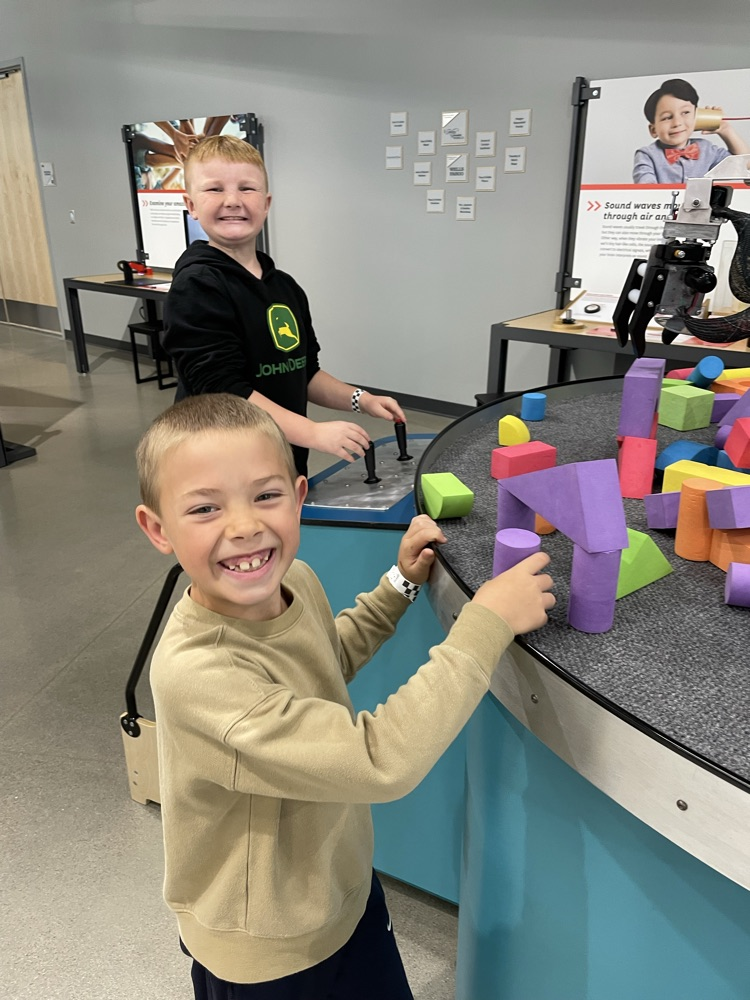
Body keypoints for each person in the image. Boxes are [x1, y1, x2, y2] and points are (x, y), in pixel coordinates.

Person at [134, 392, 556, 1000]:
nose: (245, 525)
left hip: (341, 891)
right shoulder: (200, 673)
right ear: (158, 529)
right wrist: (484, 623)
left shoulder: (293, 580)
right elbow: (377, 759)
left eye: (266, 495)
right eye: (204, 508)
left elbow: (326, 660)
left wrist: (399, 585)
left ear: (299, 497)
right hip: (267, 950)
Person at [162, 134, 404, 475]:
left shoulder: (285, 287)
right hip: (222, 464)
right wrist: (313, 432)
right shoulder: (197, 285)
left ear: (266, 202)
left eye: (247, 188)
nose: (232, 200)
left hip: (281, 458)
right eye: (214, 189)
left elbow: (303, 372)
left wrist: (360, 399)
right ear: (191, 204)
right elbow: (223, 390)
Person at [633, 78, 749, 184]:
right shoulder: (646, 155)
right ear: (653, 130)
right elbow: (646, 191)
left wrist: (725, 129)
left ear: (697, 116)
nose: (677, 123)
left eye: (685, 113)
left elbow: (745, 164)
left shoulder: (707, 150)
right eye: (667, 117)